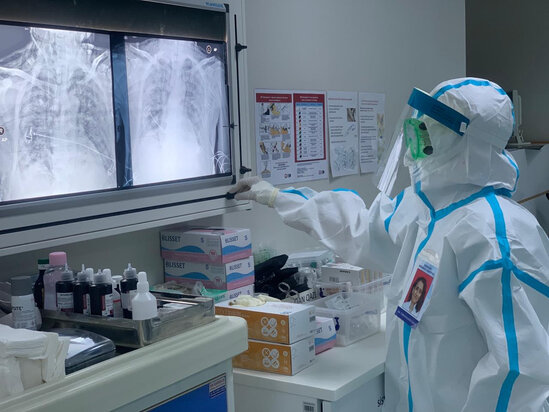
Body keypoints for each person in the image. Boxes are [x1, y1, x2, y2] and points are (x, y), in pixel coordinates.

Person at [230, 77, 549, 411]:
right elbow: (361, 228)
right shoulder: (424, 209)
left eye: (433, 128)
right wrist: (278, 197)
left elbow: (521, 372)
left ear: (468, 143)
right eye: (419, 124)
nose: (417, 137)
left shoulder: (494, 235)